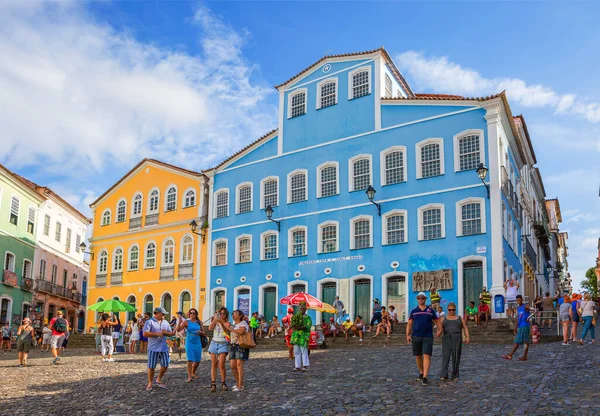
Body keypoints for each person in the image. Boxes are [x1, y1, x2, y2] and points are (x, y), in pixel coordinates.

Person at [406, 292, 440, 386]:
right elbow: (409, 323)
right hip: (416, 336)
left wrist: (440, 330)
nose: (421, 300)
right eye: (419, 298)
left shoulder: (430, 310)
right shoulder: (413, 311)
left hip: (427, 336)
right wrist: (407, 335)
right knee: (418, 356)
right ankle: (421, 372)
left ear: (425, 299)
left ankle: (425, 377)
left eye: (422, 298)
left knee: (427, 355)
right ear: (417, 299)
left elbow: (437, 321)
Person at [143, 307, 174, 391]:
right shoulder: (149, 322)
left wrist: (166, 333)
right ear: (157, 313)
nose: (164, 316)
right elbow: (145, 333)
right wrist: (156, 334)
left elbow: (171, 333)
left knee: (165, 364)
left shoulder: (166, 323)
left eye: (164, 314)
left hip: (164, 347)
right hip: (153, 347)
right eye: (163, 314)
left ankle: (159, 379)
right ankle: (150, 382)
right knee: (151, 366)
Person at [440, 302, 470, 381]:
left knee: (456, 357)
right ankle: (444, 374)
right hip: (446, 338)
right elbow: (440, 328)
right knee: (445, 357)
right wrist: (439, 332)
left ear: (455, 310)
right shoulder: (444, 318)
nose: (451, 311)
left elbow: (465, 327)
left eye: (453, 310)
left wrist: (467, 336)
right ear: (447, 310)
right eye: (450, 310)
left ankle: (455, 375)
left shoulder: (459, 318)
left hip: (457, 338)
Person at [222, 309, 250, 392]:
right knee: (232, 366)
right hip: (233, 346)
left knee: (239, 365)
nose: (233, 315)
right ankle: (238, 383)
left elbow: (241, 331)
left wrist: (231, 330)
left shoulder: (243, 323)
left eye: (235, 314)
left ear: (240, 316)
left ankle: (241, 385)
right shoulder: (234, 325)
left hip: (241, 346)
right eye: (233, 314)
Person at [175, 308, 205, 383]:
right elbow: (178, 330)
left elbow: (204, 333)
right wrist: (179, 322)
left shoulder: (199, 322)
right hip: (189, 341)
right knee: (189, 359)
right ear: (189, 314)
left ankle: (193, 372)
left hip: (197, 341)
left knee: (197, 360)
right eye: (191, 313)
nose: (192, 314)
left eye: (194, 313)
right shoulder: (186, 322)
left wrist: (201, 332)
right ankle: (189, 376)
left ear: (196, 314)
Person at [502, 295, 531, 361]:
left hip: (525, 325)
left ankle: (524, 356)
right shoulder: (518, 308)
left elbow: (533, 310)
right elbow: (518, 318)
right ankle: (510, 355)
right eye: (517, 300)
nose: (519, 301)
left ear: (522, 300)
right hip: (520, 326)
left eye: (520, 300)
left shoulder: (525, 306)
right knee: (517, 341)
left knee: (525, 341)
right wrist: (515, 327)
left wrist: (529, 317)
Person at [208, 307, 230, 392]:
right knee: (213, 364)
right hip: (214, 342)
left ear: (226, 315)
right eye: (220, 313)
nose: (221, 315)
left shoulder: (227, 323)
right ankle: (213, 383)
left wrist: (221, 322)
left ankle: (223, 382)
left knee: (221, 364)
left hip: (223, 344)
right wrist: (215, 319)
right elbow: (210, 328)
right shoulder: (215, 322)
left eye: (223, 313)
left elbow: (226, 331)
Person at [290, 301, 311, 372]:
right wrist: (294, 326)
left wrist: (299, 327)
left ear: (305, 309)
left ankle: (305, 366)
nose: (302, 309)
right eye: (301, 308)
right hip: (296, 336)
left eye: (303, 308)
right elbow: (292, 326)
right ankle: (297, 366)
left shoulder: (308, 318)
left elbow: (308, 327)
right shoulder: (296, 317)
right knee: (296, 352)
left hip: (303, 337)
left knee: (304, 351)